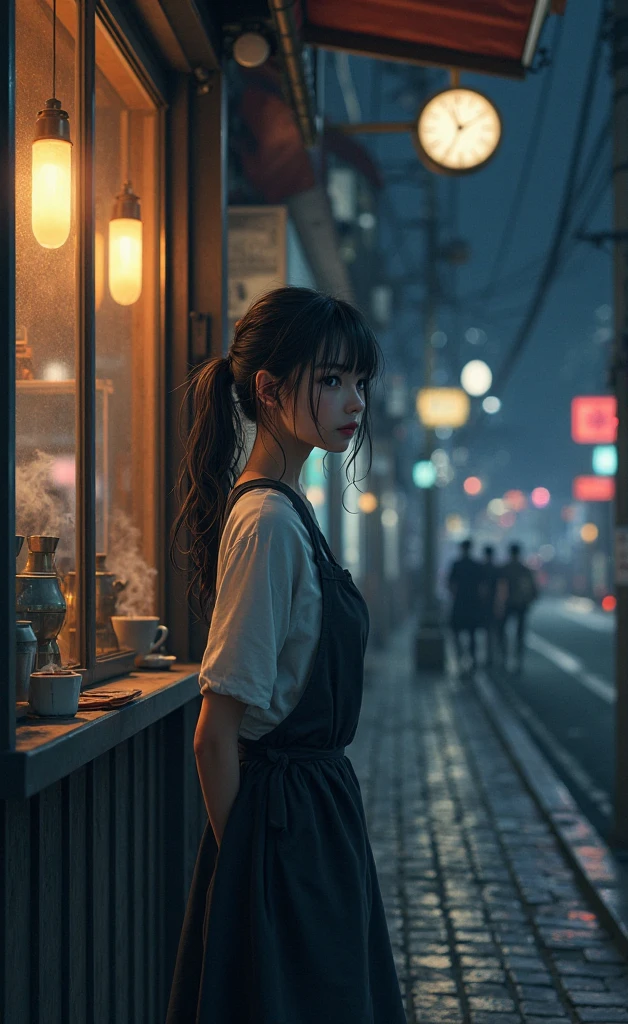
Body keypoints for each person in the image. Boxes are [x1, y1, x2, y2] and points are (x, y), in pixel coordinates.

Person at [166, 287, 406, 1024]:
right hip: (283, 831)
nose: (354, 400)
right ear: (269, 390)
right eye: (331, 379)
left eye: (358, 381)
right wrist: (252, 876)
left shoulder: (287, 508)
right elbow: (215, 734)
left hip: (308, 819)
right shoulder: (268, 519)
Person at [497, 542, 539, 671]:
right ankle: (518, 660)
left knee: (501, 631)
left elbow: (499, 587)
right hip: (521, 604)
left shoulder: (504, 569)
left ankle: (504, 657)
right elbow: (533, 589)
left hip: (507, 604)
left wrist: (499, 603)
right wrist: (529, 600)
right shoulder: (524, 569)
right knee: (520, 633)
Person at [446, 538, 483, 673]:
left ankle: (460, 657)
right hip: (472, 603)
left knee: (456, 633)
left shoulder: (457, 564)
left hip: (459, 603)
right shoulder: (476, 565)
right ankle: (472, 659)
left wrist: (454, 596)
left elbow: (450, 585)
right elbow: (482, 587)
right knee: (472, 634)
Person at [477, 544, 499, 667]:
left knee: (485, 631)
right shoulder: (497, 569)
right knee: (493, 631)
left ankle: (486, 656)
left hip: (483, 604)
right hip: (494, 603)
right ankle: (493, 656)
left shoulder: (481, 568)